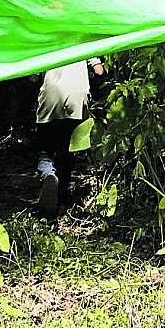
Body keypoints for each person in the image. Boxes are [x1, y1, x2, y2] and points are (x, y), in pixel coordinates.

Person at [35, 55, 105, 217]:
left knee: (45, 151)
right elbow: (99, 70)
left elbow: (32, 77)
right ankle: (61, 198)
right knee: (67, 151)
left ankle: (48, 176)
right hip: (77, 100)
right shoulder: (82, 37)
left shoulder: (45, 39)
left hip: (50, 99)